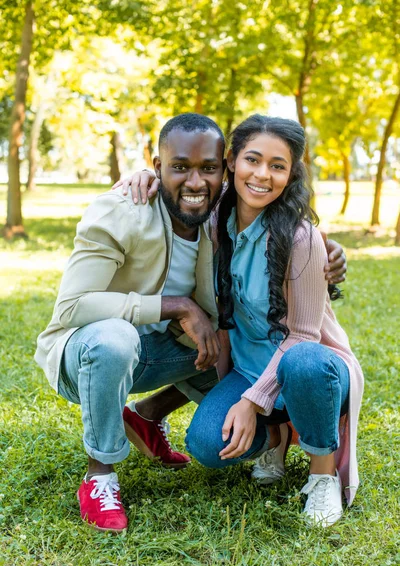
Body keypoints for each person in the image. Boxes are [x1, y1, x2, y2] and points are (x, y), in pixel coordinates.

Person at [35, 113, 346, 533]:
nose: (196, 182)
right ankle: (103, 475)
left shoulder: (257, 224)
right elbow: (71, 306)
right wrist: (175, 305)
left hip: (246, 356)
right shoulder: (164, 211)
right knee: (128, 350)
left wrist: (326, 249)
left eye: (208, 168)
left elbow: (303, 317)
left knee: (270, 355)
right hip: (113, 354)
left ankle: (310, 467)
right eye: (179, 167)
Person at [123, 115, 362, 527]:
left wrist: (253, 402)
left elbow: (303, 336)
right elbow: (185, 181)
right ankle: (276, 437)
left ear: (291, 173)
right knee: (205, 445)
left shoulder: (300, 238)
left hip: (314, 370)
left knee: (303, 360)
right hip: (250, 369)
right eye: (252, 159)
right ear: (232, 161)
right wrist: (145, 175)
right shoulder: (217, 220)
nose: (262, 175)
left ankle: (321, 477)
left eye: (277, 165)